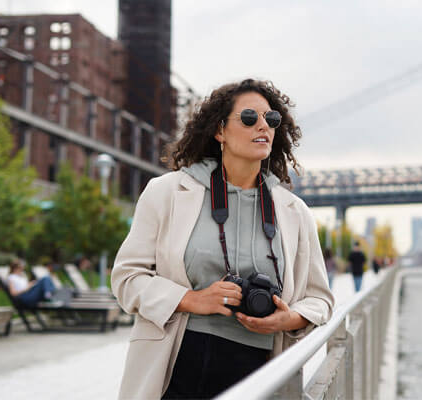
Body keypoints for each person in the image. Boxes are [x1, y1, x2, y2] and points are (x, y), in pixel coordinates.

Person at [111, 79, 335, 399]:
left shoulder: (293, 212)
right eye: (248, 118)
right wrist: (193, 300)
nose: (263, 126)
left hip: (262, 368)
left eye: (271, 119)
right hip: (176, 362)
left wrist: (288, 318)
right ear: (220, 131)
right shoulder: (168, 192)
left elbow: (321, 299)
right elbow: (126, 278)